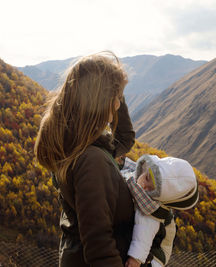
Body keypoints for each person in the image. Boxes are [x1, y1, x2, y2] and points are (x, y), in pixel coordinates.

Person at [34, 52, 136, 267]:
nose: (118, 105)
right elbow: (99, 246)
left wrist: (116, 90)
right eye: (116, 98)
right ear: (101, 101)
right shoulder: (92, 161)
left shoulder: (72, 146)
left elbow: (124, 139)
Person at [121, 154, 199, 267]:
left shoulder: (151, 211)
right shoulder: (139, 176)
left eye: (150, 189)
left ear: (158, 197)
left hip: (157, 256)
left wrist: (135, 259)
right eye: (147, 178)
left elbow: (143, 234)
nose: (143, 185)